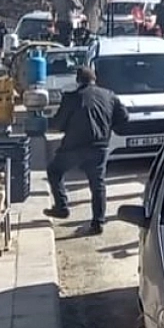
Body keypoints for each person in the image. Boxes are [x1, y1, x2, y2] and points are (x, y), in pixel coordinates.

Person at [45, 66, 129, 234]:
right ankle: (98, 222)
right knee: (98, 184)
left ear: (78, 80)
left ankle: (62, 207)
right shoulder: (110, 95)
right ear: (94, 79)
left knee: (54, 170)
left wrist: (46, 122)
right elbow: (124, 117)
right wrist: (108, 127)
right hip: (100, 146)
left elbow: (58, 124)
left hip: (74, 147)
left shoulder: (71, 98)